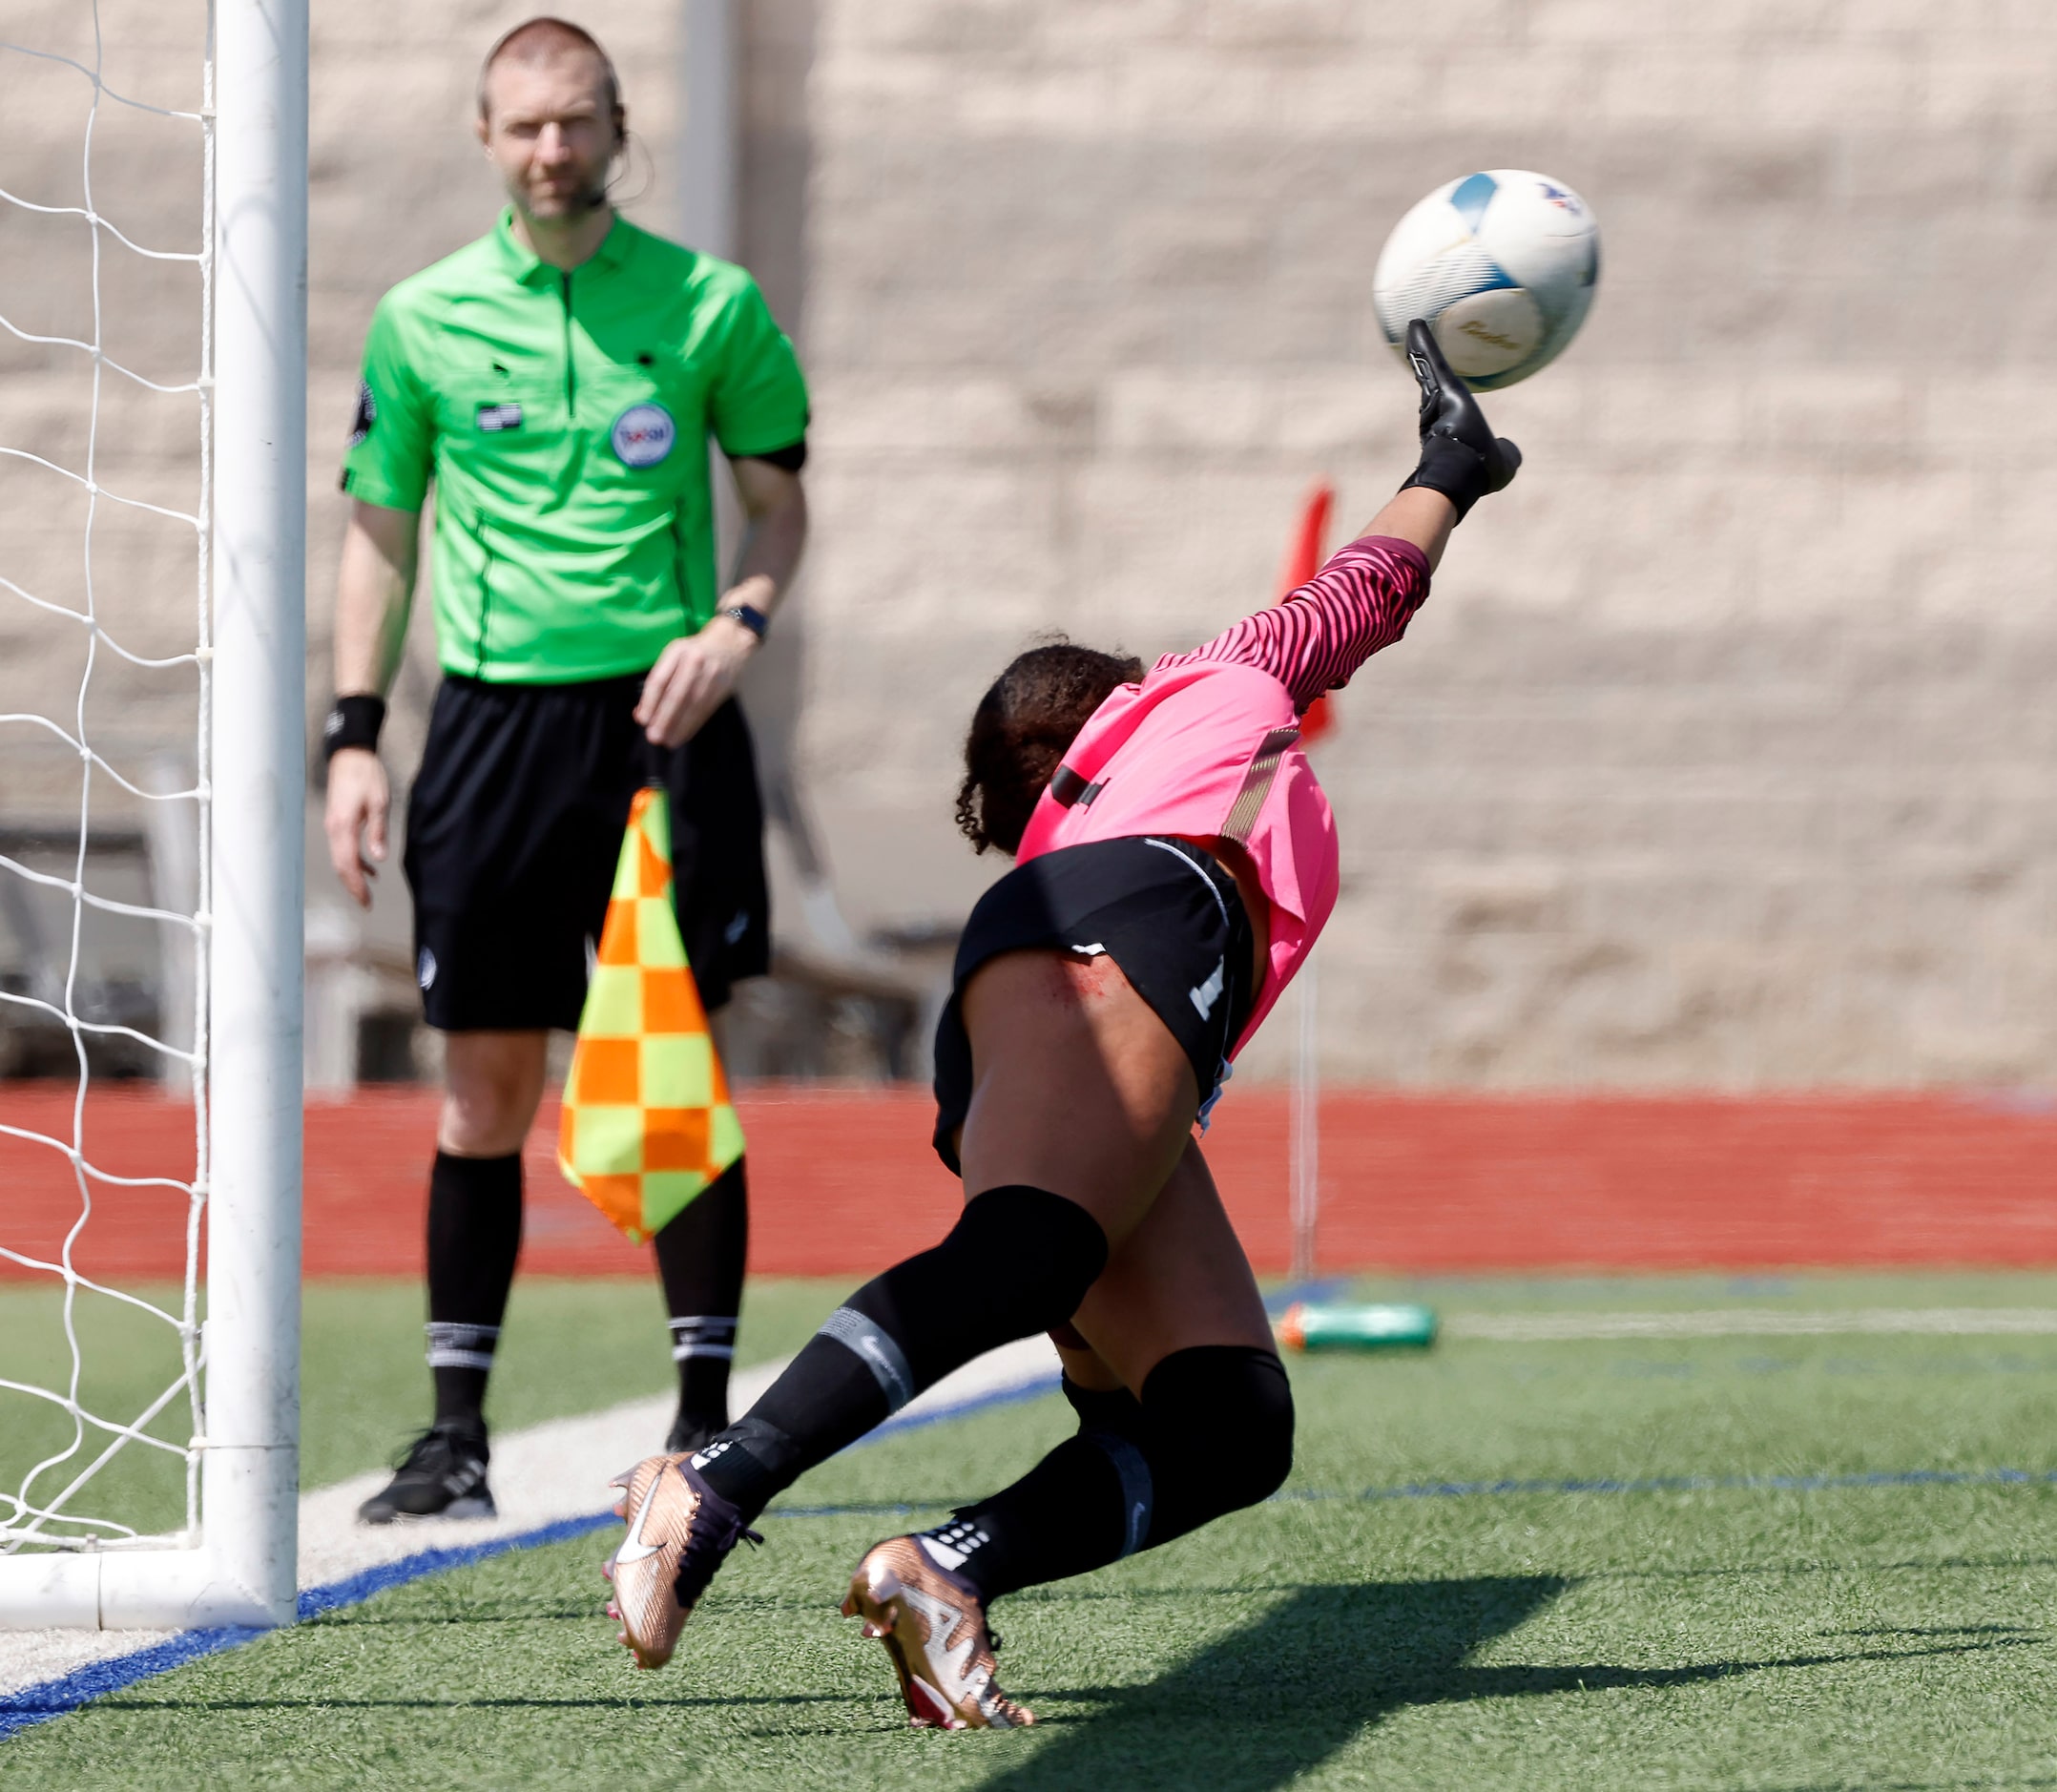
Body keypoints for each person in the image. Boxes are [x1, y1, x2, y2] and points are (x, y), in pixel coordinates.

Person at [597, 322, 1519, 1725]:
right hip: (1138, 929)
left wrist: (1452, 461)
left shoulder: (1052, 832)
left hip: (1033, 996)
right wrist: (1451, 463)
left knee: (1225, 1423)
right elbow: (1367, 587)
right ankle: (712, 1483)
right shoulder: (1198, 689)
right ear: (1106, 700)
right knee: (1026, 1259)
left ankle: (950, 1566)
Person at [322, 17, 810, 1524]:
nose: (553, 149)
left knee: (673, 1072)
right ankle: (455, 1433)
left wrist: (739, 621)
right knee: (482, 1083)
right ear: (487, 139)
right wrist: (351, 735)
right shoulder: (419, 320)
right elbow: (378, 535)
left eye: (577, 122)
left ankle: (708, 1425)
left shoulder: (713, 305)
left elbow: (778, 510)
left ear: (616, 127)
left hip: (661, 730)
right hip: (484, 732)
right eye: (525, 126)